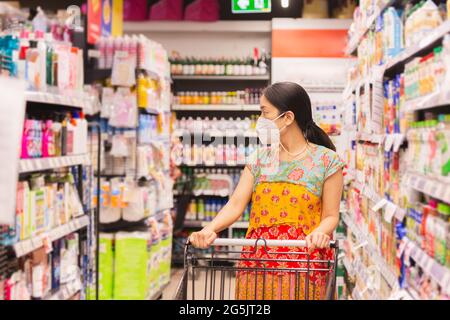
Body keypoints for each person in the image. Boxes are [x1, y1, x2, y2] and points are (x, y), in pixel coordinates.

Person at [189, 82, 345, 300]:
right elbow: (235, 204)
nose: (260, 120)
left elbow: (330, 215)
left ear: (287, 118)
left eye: (264, 112)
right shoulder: (260, 159)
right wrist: (210, 228)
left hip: (304, 263)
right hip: (257, 261)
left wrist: (320, 232)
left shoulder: (327, 161)